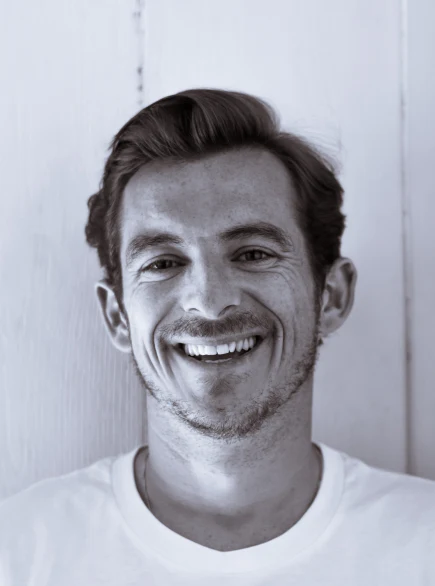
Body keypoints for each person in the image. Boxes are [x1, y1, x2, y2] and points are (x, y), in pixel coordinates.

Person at [0, 89, 434, 585]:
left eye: (253, 254)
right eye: (163, 263)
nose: (209, 301)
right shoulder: (18, 555)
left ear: (331, 296)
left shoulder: (423, 547)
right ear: (118, 316)